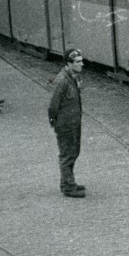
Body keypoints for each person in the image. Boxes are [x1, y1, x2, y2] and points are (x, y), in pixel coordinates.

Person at [48, 49, 86, 198]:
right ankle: (68, 187)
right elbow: (53, 105)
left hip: (73, 123)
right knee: (67, 155)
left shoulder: (73, 77)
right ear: (68, 64)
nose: (81, 64)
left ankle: (68, 182)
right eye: (78, 62)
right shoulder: (63, 80)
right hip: (65, 124)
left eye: (81, 61)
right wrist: (54, 123)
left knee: (73, 153)